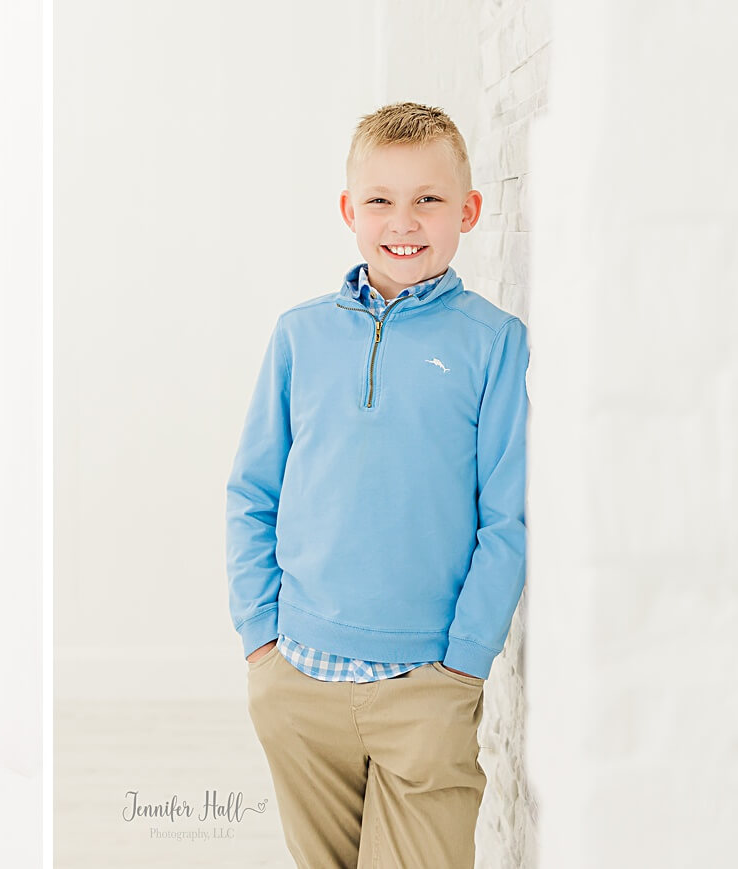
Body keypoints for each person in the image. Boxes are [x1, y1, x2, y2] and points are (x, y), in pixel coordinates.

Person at [224, 101, 530, 867]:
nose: (404, 220)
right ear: (347, 211)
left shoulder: (494, 343)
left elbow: (509, 515)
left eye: (428, 199)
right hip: (298, 676)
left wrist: (464, 660)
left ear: (468, 210)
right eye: (380, 200)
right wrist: (261, 639)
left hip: (426, 683)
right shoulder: (299, 334)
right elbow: (252, 491)